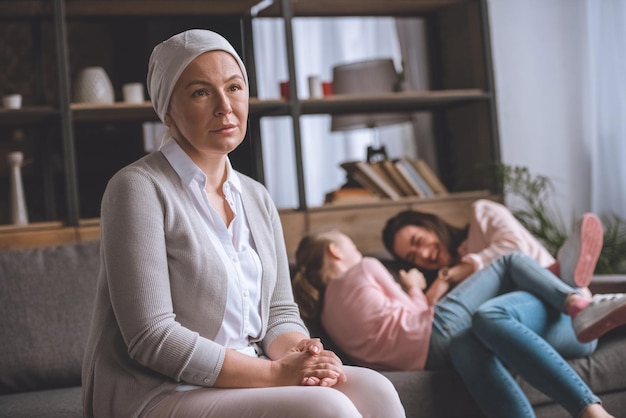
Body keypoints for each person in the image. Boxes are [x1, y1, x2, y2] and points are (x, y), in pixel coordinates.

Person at [81, 29, 405, 418]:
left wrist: (302, 354)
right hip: (160, 389)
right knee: (326, 409)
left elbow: (280, 312)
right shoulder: (137, 188)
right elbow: (152, 338)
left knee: (378, 391)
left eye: (234, 87)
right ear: (167, 109)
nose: (224, 106)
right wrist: (275, 374)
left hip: (252, 372)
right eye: (200, 92)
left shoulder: (255, 195)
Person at [292, 229, 626, 418]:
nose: (356, 248)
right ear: (336, 251)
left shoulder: (326, 320)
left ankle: (558, 285)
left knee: (470, 342)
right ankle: (574, 300)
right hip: (432, 331)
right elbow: (413, 314)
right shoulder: (365, 268)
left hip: (427, 359)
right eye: (351, 242)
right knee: (509, 263)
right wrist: (415, 287)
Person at [382, 199, 604, 296]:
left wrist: (450, 274)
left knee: (515, 261)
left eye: (419, 241)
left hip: (549, 285)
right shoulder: (448, 293)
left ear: (431, 226)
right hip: (527, 309)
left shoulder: (482, 215)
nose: (422, 254)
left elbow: (514, 248)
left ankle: (563, 277)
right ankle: (565, 272)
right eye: (412, 257)